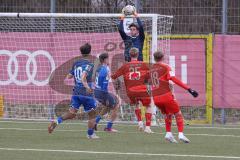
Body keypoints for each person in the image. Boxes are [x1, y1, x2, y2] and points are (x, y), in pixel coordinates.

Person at [48, 43, 99, 139]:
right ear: (90, 52)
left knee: (71, 114)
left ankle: (57, 121)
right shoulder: (90, 64)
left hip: (76, 93)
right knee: (93, 115)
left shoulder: (76, 63)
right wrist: (87, 87)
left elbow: (69, 76)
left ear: (81, 52)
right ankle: (90, 134)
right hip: (86, 93)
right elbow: (83, 77)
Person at [151, 51, 199, 143]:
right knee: (178, 114)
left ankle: (168, 134)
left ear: (154, 58)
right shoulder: (166, 67)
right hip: (166, 96)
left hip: (156, 98)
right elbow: (174, 79)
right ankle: (181, 134)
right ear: (163, 57)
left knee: (167, 114)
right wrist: (189, 89)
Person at [111, 47, 153, 133]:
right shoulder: (144, 64)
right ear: (138, 54)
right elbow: (149, 77)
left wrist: (117, 83)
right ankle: (148, 127)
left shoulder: (125, 66)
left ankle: (140, 122)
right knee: (149, 106)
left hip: (130, 91)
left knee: (136, 104)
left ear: (129, 55)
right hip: (141, 89)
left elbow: (114, 76)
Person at [94, 53, 119, 132]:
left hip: (96, 91)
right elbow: (104, 81)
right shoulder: (105, 69)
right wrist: (105, 95)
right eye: (108, 58)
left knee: (107, 106)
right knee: (116, 105)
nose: (109, 60)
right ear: (105, 60)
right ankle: (108, 127)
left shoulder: (99, 68)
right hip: (102, 92)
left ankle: (95, 122)